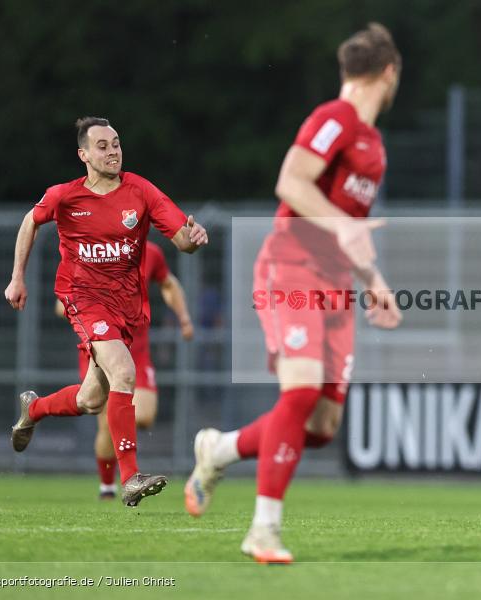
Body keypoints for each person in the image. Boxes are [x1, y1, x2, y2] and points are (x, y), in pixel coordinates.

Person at [183, 22, 402, 563]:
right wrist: (344, 228)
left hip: (336, 284)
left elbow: (349, 226)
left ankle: (219, 448)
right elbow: (292, 182)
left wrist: (373, 281)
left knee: (322, 427)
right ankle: (264, 530)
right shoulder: (335, 119)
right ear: (390, 73)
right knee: (299, 396)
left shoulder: (373, 144)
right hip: (292, 266)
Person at [4, 116, 208, 507]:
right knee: (124, 371)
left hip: (126, 308)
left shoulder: (141, 190)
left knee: (90, 401)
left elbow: (182, 239)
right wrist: (17, 277)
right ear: (83, 154)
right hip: (82, 297)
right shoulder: (65, 196)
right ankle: (130, 476)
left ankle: (35, 408)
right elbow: (31, 221)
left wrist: (194, 238)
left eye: (116, 143)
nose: (113, 151)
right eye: (102, 145)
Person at [54, 240, 194, 500]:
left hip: (138, 350)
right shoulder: (91, 250)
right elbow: (62, 305)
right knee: (102, 417)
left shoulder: (151, 252)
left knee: (143, 416)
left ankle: (36, 409)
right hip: (102, 344)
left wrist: (184, 318)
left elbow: (168, 283)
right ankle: (108, 486)